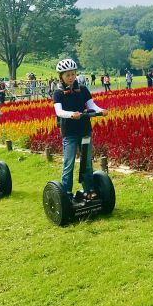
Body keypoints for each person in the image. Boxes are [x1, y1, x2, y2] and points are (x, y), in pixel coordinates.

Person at [52, 59, 107, 200]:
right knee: (68, 164)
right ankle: (66, 194)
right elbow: (59, 111)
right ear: (61, 77)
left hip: (85, 130)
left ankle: (88, 190)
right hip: (69, 132)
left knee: (87, 163)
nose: (71, 77)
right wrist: (71, 114)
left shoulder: (82, 89)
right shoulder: (58, 93)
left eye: (73, 74)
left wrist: (101, 110)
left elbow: (92, 105)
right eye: (67, 75)